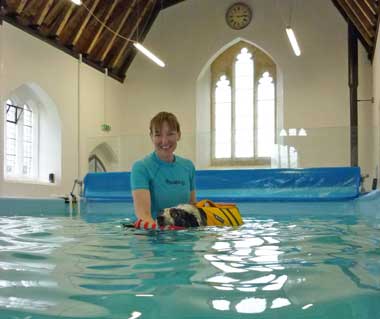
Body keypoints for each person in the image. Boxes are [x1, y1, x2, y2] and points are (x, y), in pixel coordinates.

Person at [131, 111, 196, 223]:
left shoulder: (188, 167)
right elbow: (143, 215)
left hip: (185, 236)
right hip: (154, 236)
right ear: (151, 137)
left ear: (179, 135)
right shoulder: (141, 168)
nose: (164, 141)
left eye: (170, 134)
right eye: (158, 135)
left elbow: (192, 209)